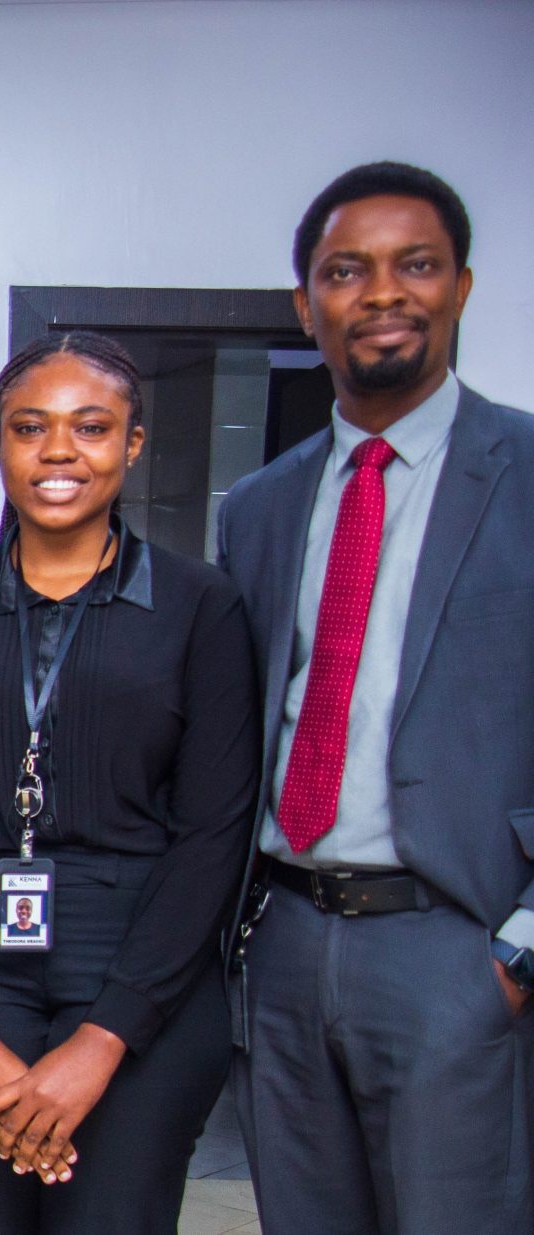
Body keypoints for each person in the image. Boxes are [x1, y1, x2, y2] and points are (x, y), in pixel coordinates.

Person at [0, 331, 257, 1233]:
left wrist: (101, 1042)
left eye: (90, 427)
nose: (57, 452)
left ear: (131, 444)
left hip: (141, 970)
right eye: (29, 426)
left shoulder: (204, 608)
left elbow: (214, 835)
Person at [220, 161, 534, 1233]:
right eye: (347, 270)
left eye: (416, 265)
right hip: (286, 938)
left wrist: (521, 948)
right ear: (308, 305)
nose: (383, 292)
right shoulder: (259, 505)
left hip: (456, 943)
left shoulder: (528, 471)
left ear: (461, 287)